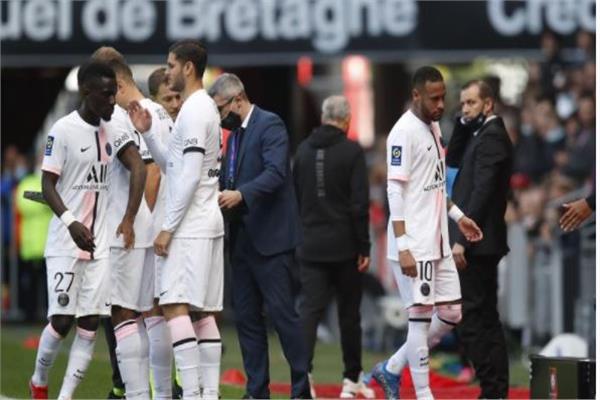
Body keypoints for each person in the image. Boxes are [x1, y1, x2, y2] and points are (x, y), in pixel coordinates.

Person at [29, 60, 146, 400]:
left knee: (91, 322)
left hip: (100, 245)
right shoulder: (63, 130)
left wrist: (129, 217)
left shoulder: (114, 127)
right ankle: (39, 380)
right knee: (62, 321)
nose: (112, 100)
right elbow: (47, 184)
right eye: (106, 94)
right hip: (66, 242)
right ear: (86, 91)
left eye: (114, 93)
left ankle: (65, 397)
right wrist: (71, 222)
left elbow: (137, 165)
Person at [368, 66, 482, 400]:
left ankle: (391, 368)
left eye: (443, 97)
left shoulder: (433, 126)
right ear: (416, 95)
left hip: (439, 240)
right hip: (415, 244)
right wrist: (404, 246)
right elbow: (395, 191)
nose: (441, 104)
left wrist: (459, 217)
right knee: (419, 319)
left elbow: (434, 185)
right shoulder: (402, 133)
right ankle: (423, 394)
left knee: (451, 313)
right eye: (434, 98)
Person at [128, 39, 224, 400]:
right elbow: (173, 165)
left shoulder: (195, 110)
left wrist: (167, 228)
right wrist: (148, 133)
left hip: (190, 226)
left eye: (170, 65)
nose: (167, 72)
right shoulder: (198, 108)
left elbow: (190, 175)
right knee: (201, 313)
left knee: (174, 305)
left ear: (188, 67)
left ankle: (195, 393)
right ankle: (208, 393)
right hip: (204, 221)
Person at [208, 73, 311, 399]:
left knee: (283, 317)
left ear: (238, 99)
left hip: (272, 241)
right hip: (241, 241)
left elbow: (276, 173)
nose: (220, 116)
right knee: (247, 321)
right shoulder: (234, 135)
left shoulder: (270, 125)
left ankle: (301, 390)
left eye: (221, 108)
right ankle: (256, 391)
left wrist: (241, 194)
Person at [91, 46, 175, 400]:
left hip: (137, 231)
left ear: (117, 82)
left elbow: (151, 174)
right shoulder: (162, 112)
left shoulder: (129, 116)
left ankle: (139, 394)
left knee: (123, 314)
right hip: (158, 230)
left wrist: (140, 223)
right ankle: (163, 393)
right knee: (153, 314)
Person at [293, 95, 374, 399]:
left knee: (309, 312)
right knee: (349, 316)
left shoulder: (303, 150)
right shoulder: (352, 152)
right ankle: (351, 381)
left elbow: (296, 197)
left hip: (310, 244)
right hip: (345, 246)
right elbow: (359, 204)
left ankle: (303, 377)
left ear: (323, 117)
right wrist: (364, 246)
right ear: (347, 119)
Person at [446, 79, 513, 399]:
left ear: (488, 104)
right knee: (483, 318)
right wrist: (462, 122)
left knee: (474, 319)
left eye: (471, 103)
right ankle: (494, 390)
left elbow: (482, 191)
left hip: (478, 243)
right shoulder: (480, 133)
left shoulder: (492, 137)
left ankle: (491, 389)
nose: (465, 109)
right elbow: (453, 159)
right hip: (480, 241)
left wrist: (463, 238)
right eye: (462, 103)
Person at [14, 153, 53, 321]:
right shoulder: (26, 182)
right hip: (30, 245)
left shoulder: (51, 181)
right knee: (30, 284)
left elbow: (54, 201)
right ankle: (29, 316)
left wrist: (39, 199)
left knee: (48, 285)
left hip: (48, 244)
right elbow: (22, 203)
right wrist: (46, 201)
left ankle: (49, 315)